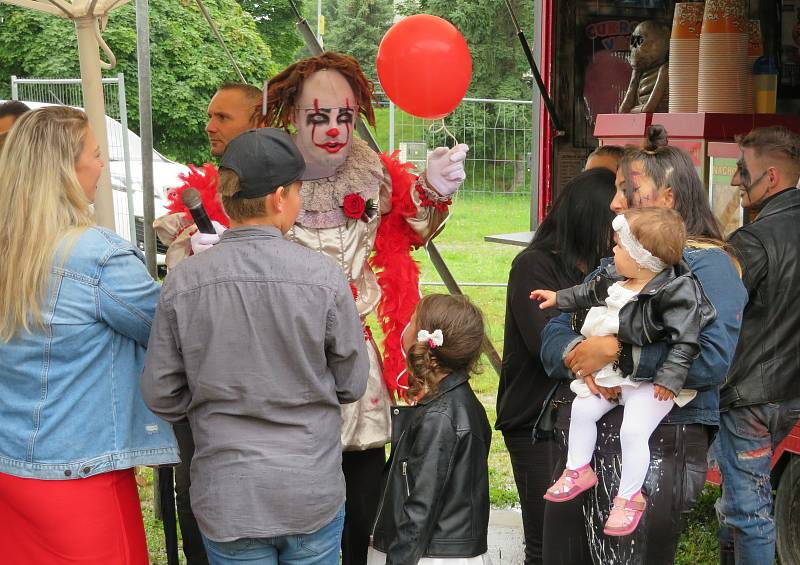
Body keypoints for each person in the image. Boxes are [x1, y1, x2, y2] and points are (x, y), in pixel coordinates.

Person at [158, 52, 468, 565]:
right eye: (318, 117)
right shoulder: (253, 176)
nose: (333, 130)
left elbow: (405, 237)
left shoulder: (374, 177)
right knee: (279, 475)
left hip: (350, 355)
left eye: (344, 117)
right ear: (290, 116)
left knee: (361, 483)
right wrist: (197, 248)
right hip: (273, 350)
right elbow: (193, 241)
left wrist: (432, 191)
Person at [142, 128, 369, 564]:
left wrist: (212, 402)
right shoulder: (323, 276)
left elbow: (160, 392)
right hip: (308, 491)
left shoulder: (185, 279)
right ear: (279, 197)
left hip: (229, 494)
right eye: (299, 192)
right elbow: (352, 382)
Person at [540, 125, 747, 565]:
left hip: (665, 441)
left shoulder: (710, 269)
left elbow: (710, 360)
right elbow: (556, 329)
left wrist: (617, 354)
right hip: (594, 439)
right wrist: (579, 356)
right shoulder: (622, 261)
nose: (615, 202)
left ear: (668, 198)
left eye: (627, 190)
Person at [0, 106, 178, 564]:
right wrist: (183, 266)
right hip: (81, 472)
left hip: (11, 467)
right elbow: (170, 331)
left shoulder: (10, 244)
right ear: (67, 169)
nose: (102, 165)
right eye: (97, 155)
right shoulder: (96, 256)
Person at [533, 207, 714, 536]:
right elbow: (586, 293)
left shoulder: (675, 292)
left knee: (634, 431)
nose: (612, 251)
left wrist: (671, 379)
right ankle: (578, 469)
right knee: (584, 409)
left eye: (619, 246)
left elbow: (685, 341)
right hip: (617, 375)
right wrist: (558, 298)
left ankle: (629, 497)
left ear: (642, 257)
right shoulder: (617, 279)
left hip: (652, 384)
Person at [495, 168, 616, 565]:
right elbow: (546, 346)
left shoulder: (600, 271)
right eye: (612, 221)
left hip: (579, 419)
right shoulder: (533, 266)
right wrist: (600, 356)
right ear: (589, 219)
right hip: (538, 423)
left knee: (581, 543)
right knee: (547, 543)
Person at [712, 126, 800, 565]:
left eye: (741, 171)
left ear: (771, 177)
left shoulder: (754, 240)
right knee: (739, 503)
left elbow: (711, 305)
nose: (733, 181)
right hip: (789, 393)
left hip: (750, 395)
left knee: (749, 512)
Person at [369, 294, 491, 565]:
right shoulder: (458, 403)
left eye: (412, 321)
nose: (406, 326)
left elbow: (420, 505)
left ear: (426, 340)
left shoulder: (440, 417)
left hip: (429, 555)